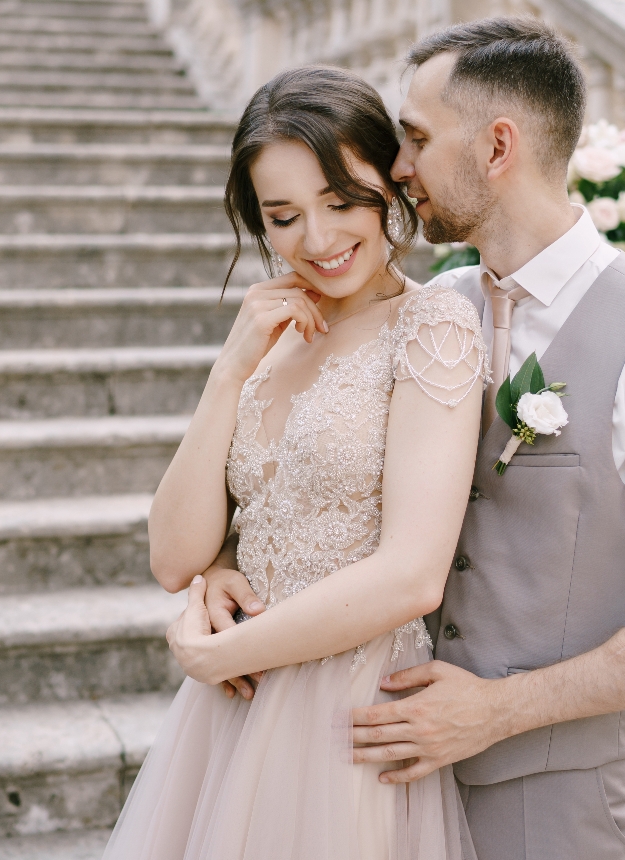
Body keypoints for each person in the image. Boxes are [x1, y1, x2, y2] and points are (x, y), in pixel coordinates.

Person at [182, 17, 625, 860]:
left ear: (498, 147)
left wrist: (502, 709)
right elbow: (309, 473)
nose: (396, 168)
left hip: (553, 816)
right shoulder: (433, 309)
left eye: (416, 138)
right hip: (372, 793)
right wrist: (222, 567)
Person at [103, 65, 486, 860]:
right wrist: (228, 373)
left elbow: (414, 574)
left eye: (342, 202)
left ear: (390, 182)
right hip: (231, 715)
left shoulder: (433, 326)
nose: (317, 240)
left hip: (346, 709)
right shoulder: (272, 333)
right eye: (283, 216)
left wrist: (219, 652)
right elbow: (171, 557)